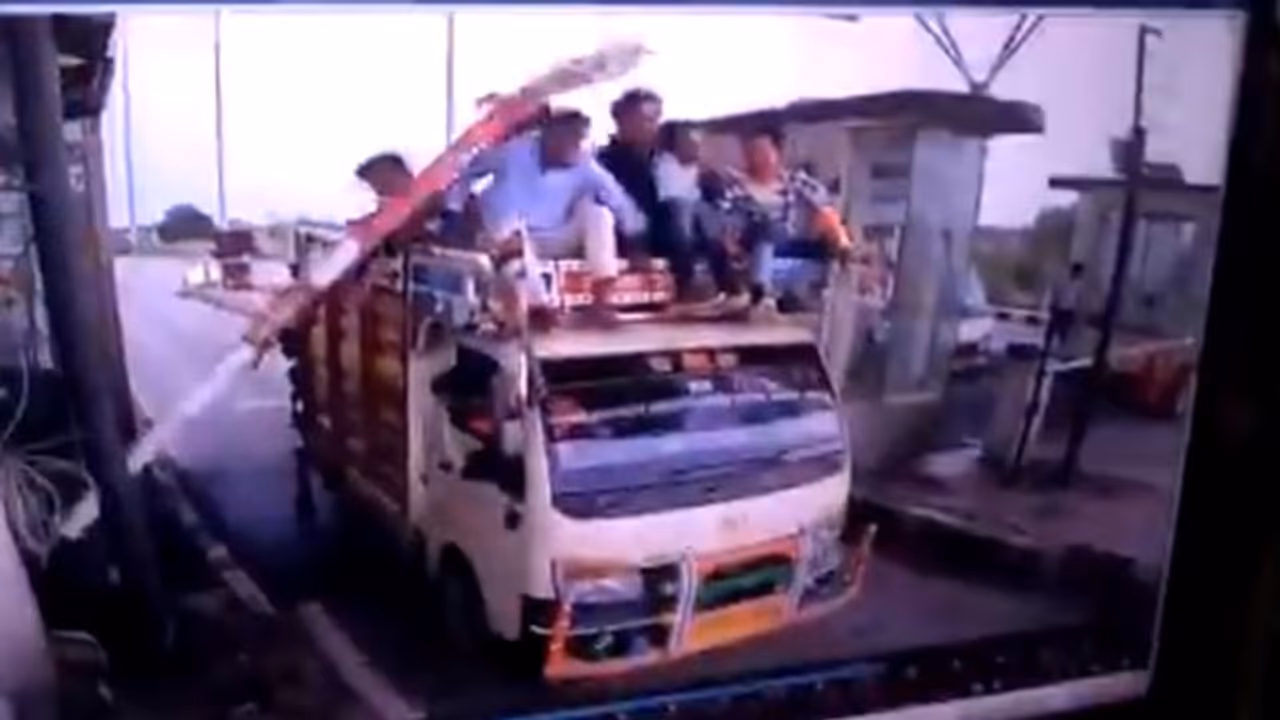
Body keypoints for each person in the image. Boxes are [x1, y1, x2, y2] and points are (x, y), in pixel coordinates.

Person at [444, 108, 649, 324]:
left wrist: (637, 242)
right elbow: (465, 174)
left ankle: (601, 300)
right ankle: (537, 307)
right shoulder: (512, 152)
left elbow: (619, 201)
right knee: (508, 224)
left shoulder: (585, 164)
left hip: (553, 236)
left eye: (580, 138)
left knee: (598, 213)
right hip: (505, 238)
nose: (575, 144)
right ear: (548, 135)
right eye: (569, 137)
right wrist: (454, 211)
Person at [718, 124, 857, 314]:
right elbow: (726, 224)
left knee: (821, 219)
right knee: (765, 227)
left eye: (762, 151)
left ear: (777, 152)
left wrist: (838, 236)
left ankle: (842, 251)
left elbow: (825, 207)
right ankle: (762, 292)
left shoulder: (795, 181)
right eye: (751, 151)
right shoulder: (736, 188)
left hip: (788, 241)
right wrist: (732, 248)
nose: (756, 157)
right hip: (751, 245)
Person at [652, 120, 735, 302]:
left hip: (694, 219)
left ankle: (726, 286)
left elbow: (718, 197)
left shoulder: (700, 170)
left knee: (710, 216)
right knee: (683, 210)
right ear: (676, 144)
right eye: (691, 142)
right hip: (667, 218)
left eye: (699, 142)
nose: (696, 147)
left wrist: (714, 178)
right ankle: (686, 283)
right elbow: (669, 199)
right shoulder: (663, 165)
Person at [596, 88, 664, 260]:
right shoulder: (601, 164)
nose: (652, 127)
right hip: (621, 254)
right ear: (622, 120)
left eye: (655, 119)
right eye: (646, 120)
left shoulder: (660, 163)